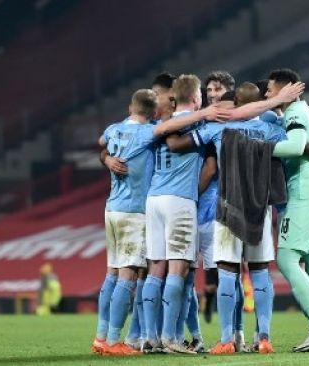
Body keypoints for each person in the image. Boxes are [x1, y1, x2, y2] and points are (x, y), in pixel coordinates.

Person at [165, 81, 307, 354]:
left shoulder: (219, 127)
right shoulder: (270, 128)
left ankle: (227, 339)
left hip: (228, 206)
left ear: (236, 104)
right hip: (260, 208)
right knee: (260, 272)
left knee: (228, 272)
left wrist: (168, 133)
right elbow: (295, 146)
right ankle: (263, 337)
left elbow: (179, 143)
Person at [92, 87, 223, 356]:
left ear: (130, 108)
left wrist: (107, 159)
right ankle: (114, 341)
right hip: (134, 211)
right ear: (153, 113)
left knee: (112, 274)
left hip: (112, 209)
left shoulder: (113, 128)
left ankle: (101, 336)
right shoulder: (146, 132)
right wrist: (205, 113)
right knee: (128, 276)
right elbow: (171, 129)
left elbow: (100, 143)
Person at [258, 69, 309, 353]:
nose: (267, 95)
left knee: (287, 259)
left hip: (304, 194)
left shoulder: (294, 112)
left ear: (284, 89)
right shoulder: (308, 111)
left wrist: (259, 147)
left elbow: (294, 147)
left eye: (269, 90)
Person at [201, 70, 236, 325]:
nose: (213, 94)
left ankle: (234, 334)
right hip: (201, 204)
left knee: (228, 268)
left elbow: (211, 168)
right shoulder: (200, 120)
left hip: (221, 202)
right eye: (209, 90)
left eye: (218, 89)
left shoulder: (237, 120)